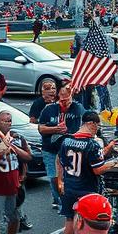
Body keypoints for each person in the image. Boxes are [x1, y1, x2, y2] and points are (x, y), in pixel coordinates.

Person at [57, 111, 114, 234]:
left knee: (69, 219)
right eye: (97, 126)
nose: (97, 129)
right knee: (89, 221)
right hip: (87, 189)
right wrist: (112, 164)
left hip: (70, 186)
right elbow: (97, 170)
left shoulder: (66, 140)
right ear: (90, 124)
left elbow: (59, 160)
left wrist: (60, 180)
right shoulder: (92, 144)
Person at [38, 83, 85, 211]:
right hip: (51, 149)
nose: (64, 100)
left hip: (70, 150)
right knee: (54, 177)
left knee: (69, 177)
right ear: (58, 95)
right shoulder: (49, 109)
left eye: (67, 97)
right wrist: (55, 129)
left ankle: (65, 201)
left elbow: (85, 124)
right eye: (62, 96)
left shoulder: (78, 108)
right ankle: (58, 199)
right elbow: (41, 128)